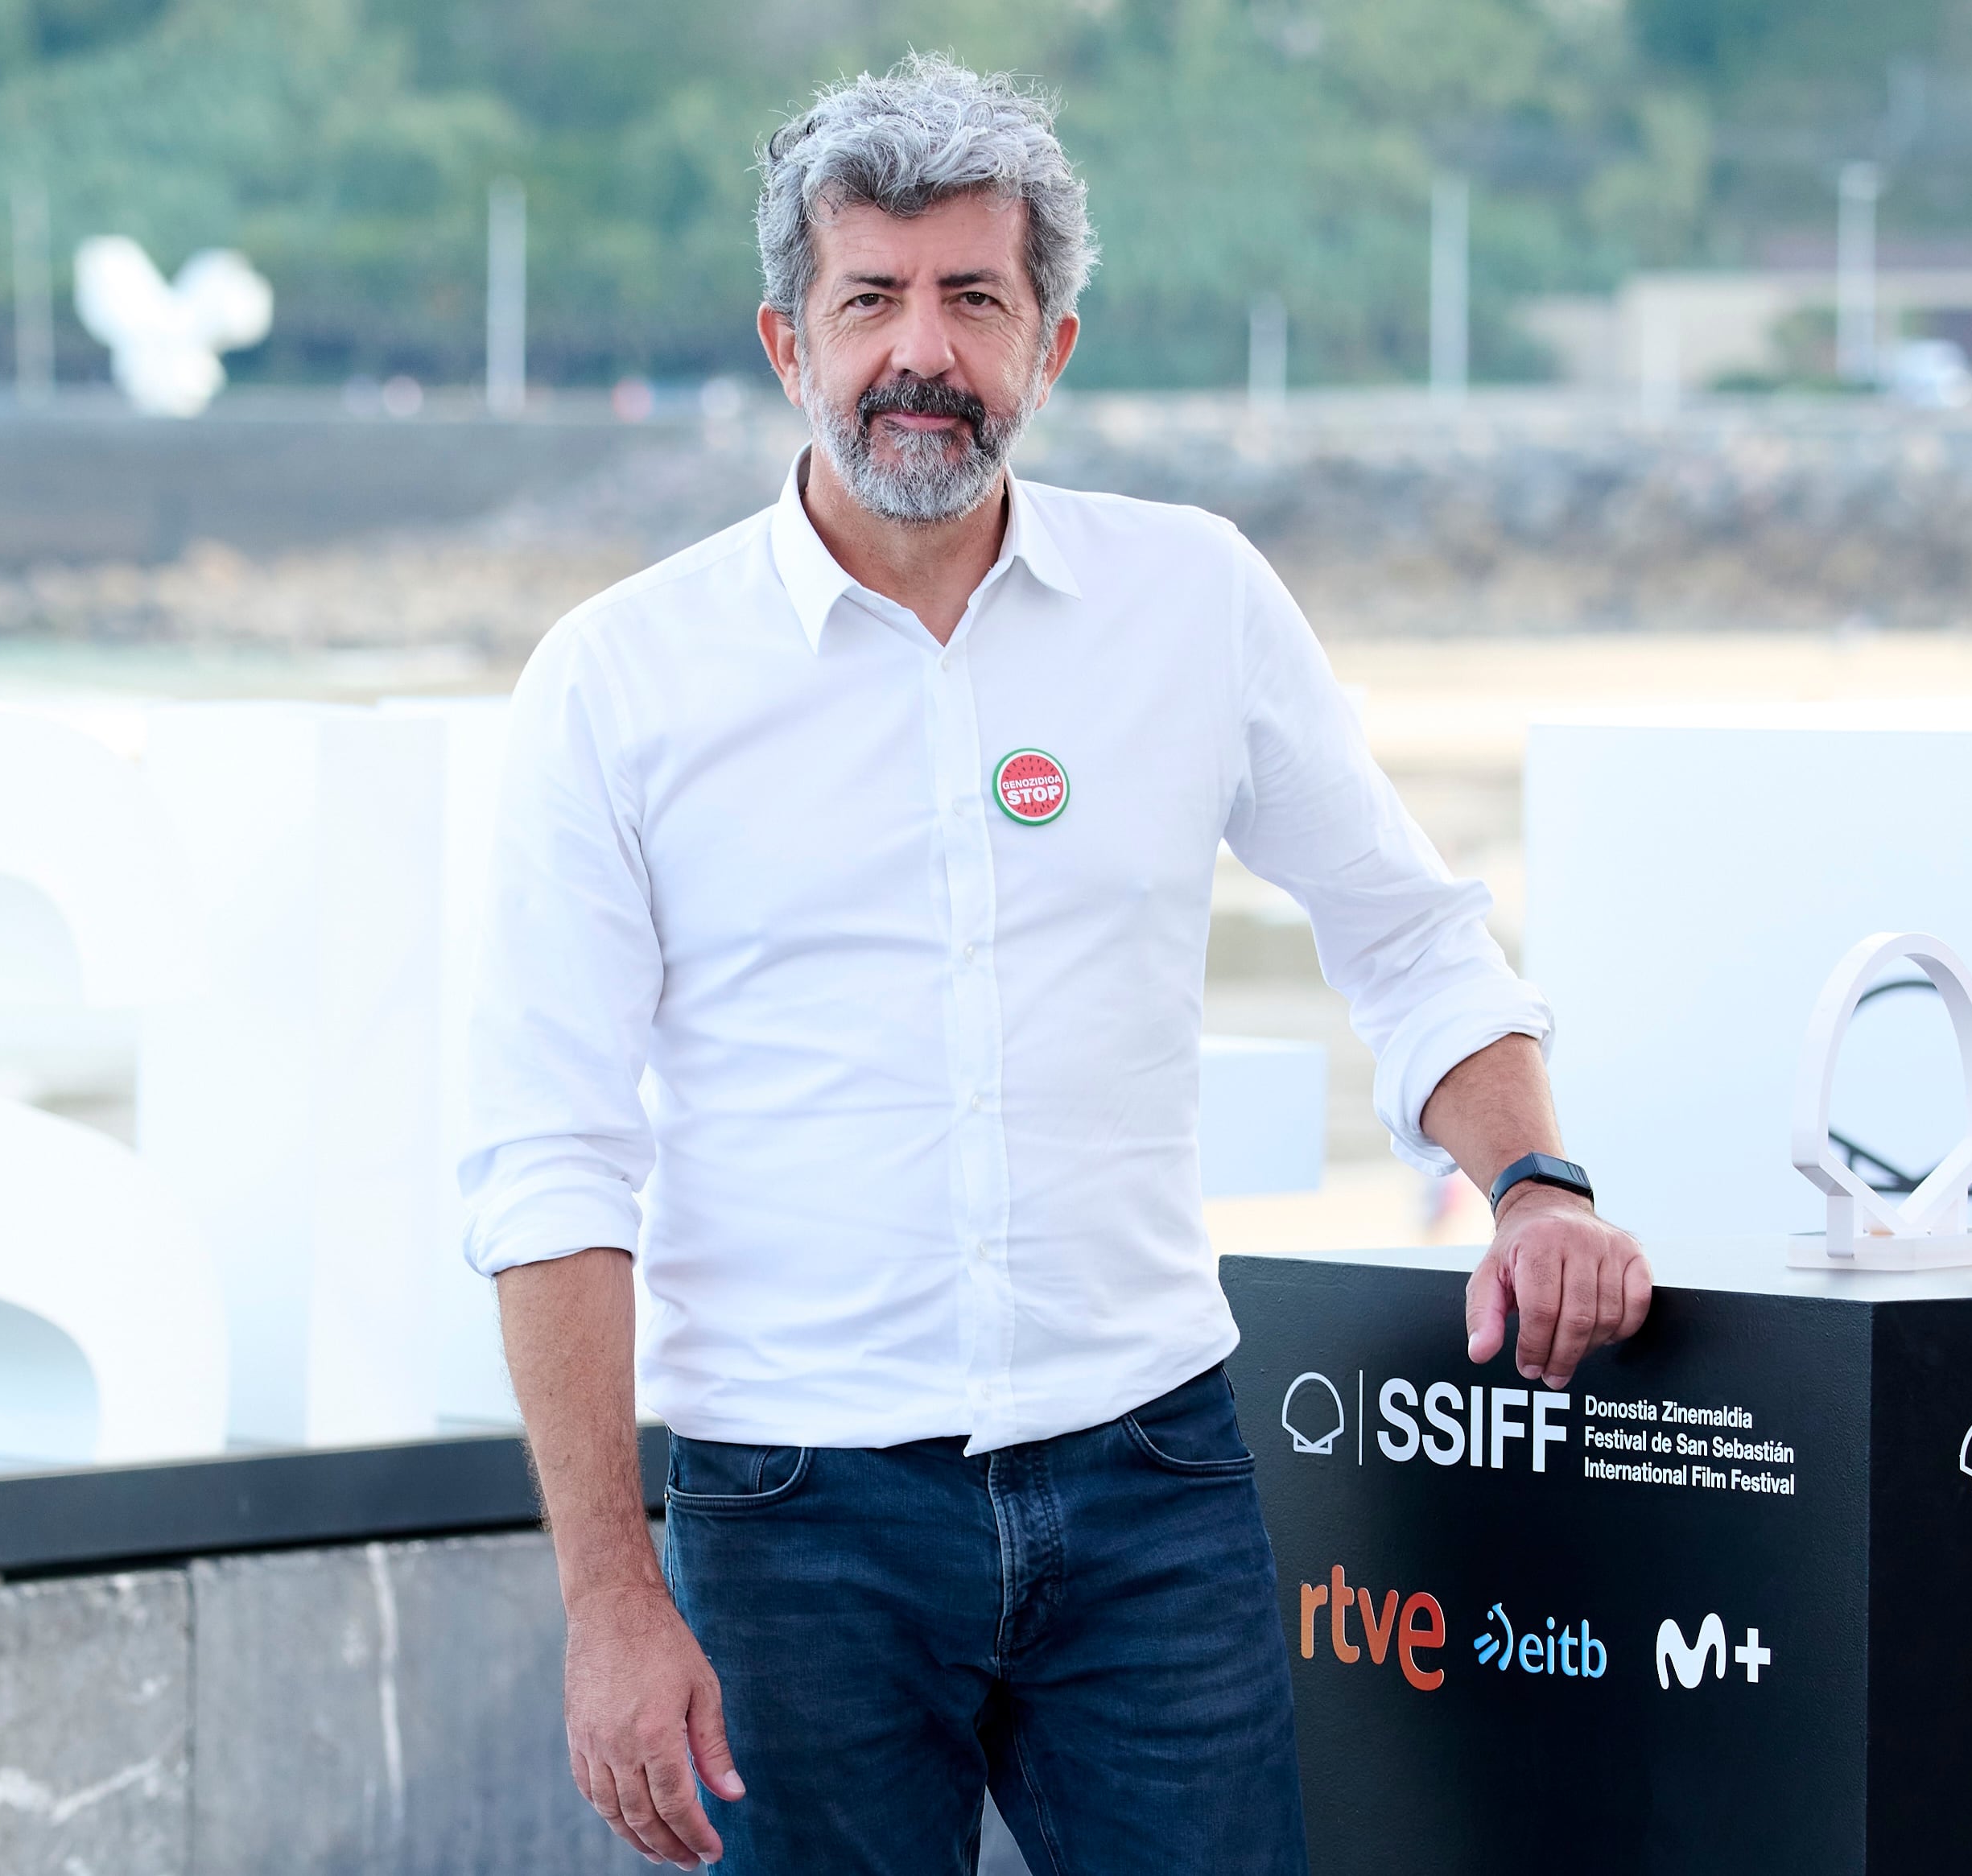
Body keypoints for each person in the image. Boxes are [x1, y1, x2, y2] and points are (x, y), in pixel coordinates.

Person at [461, 52, 1650, 1876]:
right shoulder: (619, 681)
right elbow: (549, 1153)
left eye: (973, 299)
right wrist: (614, 1595)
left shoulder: (1195, 598)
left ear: (1053, 346)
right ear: (787, 340)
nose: (918, 350)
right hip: (793, 1520)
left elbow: (1405, 930)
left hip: (1148, 1482)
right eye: (869, 298)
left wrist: (1535, 1182)